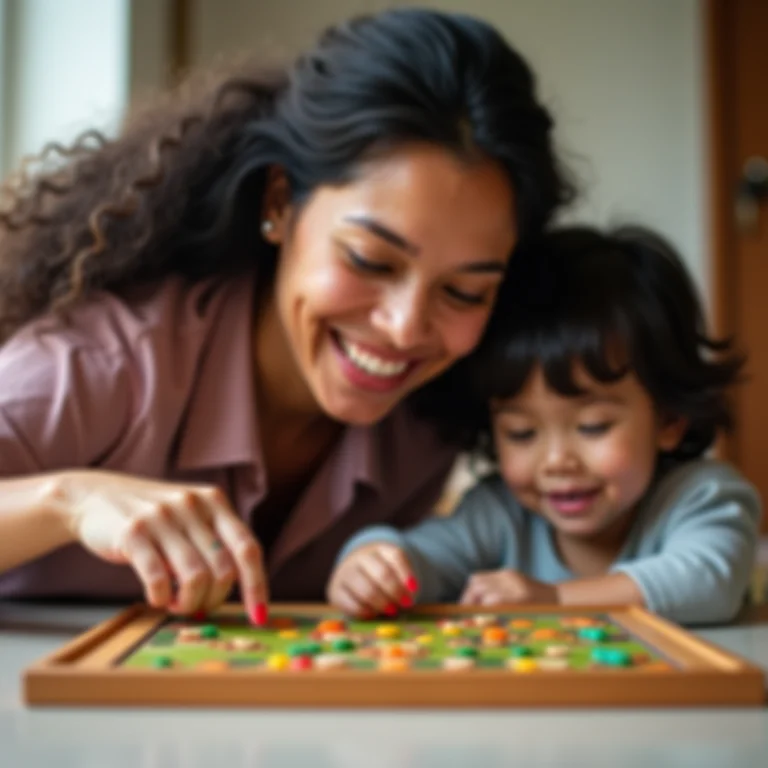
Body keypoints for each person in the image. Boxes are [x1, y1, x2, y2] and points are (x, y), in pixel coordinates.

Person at [0, 9, 574, 624]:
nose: (405, 328)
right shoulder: (101, 365)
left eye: (463, 292)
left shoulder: (429, 425)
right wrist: (70, 502)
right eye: (370, 261)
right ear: (279, 204)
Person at [329, 225, 762, 625]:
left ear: (669, 418)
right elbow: (422, 556)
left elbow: (709, 582)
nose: (557, 461)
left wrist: (554, 600)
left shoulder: (702, 497)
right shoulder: (500, 514)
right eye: (522, 433)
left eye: (593, 427)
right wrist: (371, 562)